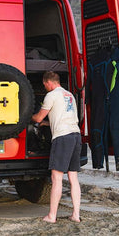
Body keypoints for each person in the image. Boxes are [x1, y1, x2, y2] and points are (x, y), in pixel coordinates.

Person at [32, 71, 81, 223]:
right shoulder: (69, 95)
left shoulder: (51, 95)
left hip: (63, 137)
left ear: (48, 82)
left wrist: (29, 116)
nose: (44, 87)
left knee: (56, 178)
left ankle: (52, 216)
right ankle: (75, 215)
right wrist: (47, 123)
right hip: (75, 135)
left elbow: (39, 117)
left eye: (44, 84)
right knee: (73, 177)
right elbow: (61, 116)